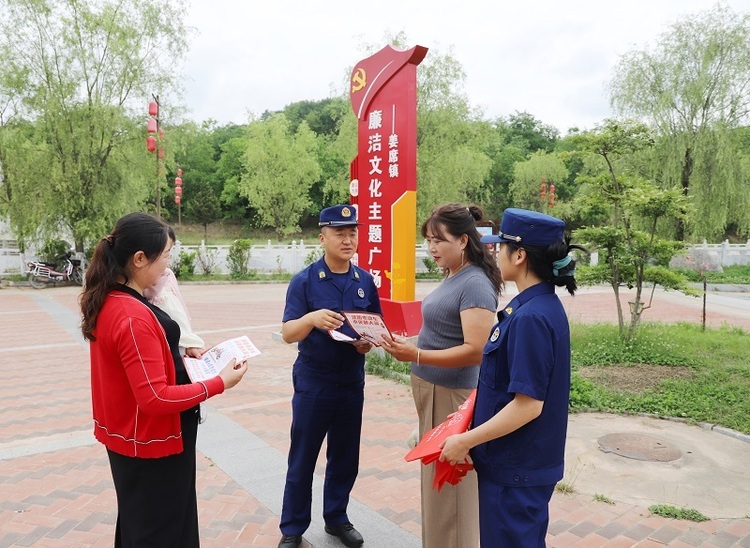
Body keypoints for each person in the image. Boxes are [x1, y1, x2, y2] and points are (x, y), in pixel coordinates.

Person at [79, 212, 247, 547]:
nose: (168, 266)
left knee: (141, 522)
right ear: (139, 259)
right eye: (165, 255)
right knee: (159, 531)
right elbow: (155, 398)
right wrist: (220, 382)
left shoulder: (115, 300)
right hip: (152, 444)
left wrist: (184, 359)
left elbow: (143, 364)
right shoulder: (131, 315)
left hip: (133, 437)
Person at [439, 208, 585, 547]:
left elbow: (527, 406)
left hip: (515, 470)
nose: (494, 252)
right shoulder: (533, 307)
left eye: (501, 246)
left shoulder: (530, 318)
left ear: (519, 255)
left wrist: (466, 440)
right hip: (515, 466)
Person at [380, 203, 501, 548]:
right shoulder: (454, 274)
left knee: (451, 489)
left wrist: (416, 354)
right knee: (437, 485)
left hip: (450, 396)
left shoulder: (475, 283)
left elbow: (476, 348)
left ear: (463, 240)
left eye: (439, 240)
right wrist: (411, 344)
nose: (431, 248)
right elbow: (445, 331)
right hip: (433, 390)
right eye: (428, 240)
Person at [278, 204, 381, 548]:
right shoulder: (304, 281)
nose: (348, 239)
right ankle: (292, 528)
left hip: (351, 381)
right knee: (303, 455)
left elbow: (375, 327)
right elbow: (289, 332)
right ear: (322, 237)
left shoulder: (364, 281)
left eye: (353, 232)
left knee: (345, 455)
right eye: (339, 233)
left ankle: (337, 518)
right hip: (314, 381)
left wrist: (367, 344)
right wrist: (312, 319)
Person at [144, 227, 205, 359]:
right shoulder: (142, 289)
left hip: (180, 342)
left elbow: (178, 304)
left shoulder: (168, 274)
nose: (168, 259)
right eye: (165, 254)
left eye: (169, 251)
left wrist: (188, 338)